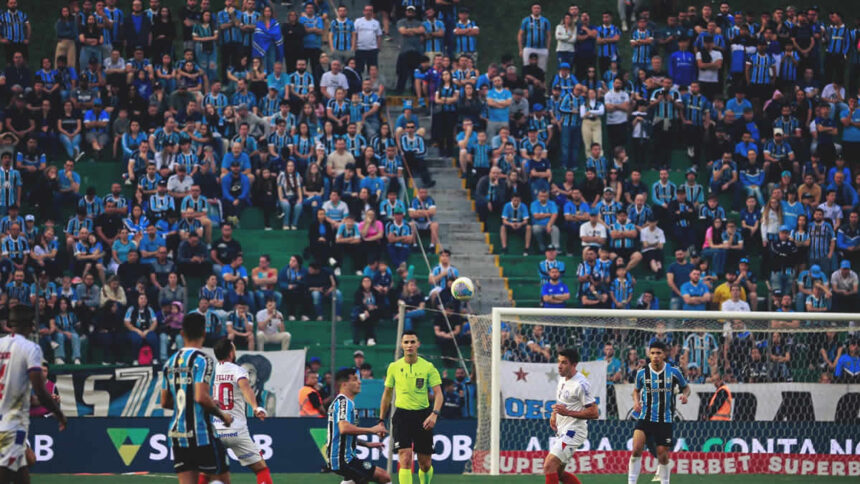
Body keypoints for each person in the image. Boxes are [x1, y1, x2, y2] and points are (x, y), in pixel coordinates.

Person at [161, 313, 232, 484]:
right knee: (221, 480)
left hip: (178, 434)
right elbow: (201, 397)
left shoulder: (170, 362)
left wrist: (188, 403)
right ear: (204, 334)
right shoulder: (203, 361)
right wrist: (223, 415)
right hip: (202, 434)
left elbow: (165, 402)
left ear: (182, 333)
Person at [0, 305, 66, 484]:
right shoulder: (30, 348)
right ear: (31, 325)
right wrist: (59, 414)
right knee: (7, 472)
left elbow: (31, 396)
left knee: (25, 466)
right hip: (10, 421)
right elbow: (40, 388)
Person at [379, 331, 442, 484]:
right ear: (401, 345)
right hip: (402, 416)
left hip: (423, 416)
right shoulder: (394, 367)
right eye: (406, 342)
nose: (409, 345)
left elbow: (439, 394)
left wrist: (434, 414)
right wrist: (381, 419)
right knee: (405, 457)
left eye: (412, 342)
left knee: (425, 464)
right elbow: (387, 394)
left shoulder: (428, 367)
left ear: (418, 344)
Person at [628, 340, 690, 484]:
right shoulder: (642, 373)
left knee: (662, 455)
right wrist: (636, 402)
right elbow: (636, 390)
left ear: (664, 355)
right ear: (649, 354)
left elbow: (686, 388)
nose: (655, 356)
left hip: (665, 419)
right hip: (645, 417)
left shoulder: (674, 371)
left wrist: (685, 396)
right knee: (636, 449)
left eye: (658, 353)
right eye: (653, 353)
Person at [211, 339, 272, 484]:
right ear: (231, 353)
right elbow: (247, 389)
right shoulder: (237, 370)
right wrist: (256, 408)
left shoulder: (213, 370)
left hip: (216, 429)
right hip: (236, 429)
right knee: (261, 469)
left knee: (207, 471)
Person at [543, 348, 597, 484]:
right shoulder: (563, 379)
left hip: (574, 431)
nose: (559, 366)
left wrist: (568, 413)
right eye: (559, 362)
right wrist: (554, 414)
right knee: (558, 473)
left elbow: (594, 412)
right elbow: (562, 401)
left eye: (564, 363)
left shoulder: (581, 384)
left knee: (549, 465)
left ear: (574, 365)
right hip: (563, 430)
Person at [327, 368, 390, 483]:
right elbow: (344, 428)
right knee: (373, 478)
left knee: (378, 477)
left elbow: (344, 433)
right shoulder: (343, 402)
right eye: (355, 379)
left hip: (347, 458)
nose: (359, 382)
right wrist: (372, 430)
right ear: (345, 384)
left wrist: (366, 444)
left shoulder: (347, 403)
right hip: (342, 459)